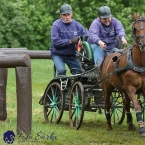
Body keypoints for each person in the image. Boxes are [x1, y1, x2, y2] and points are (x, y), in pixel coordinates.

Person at [50, 4, 88, 76]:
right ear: (60, 16)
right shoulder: (56, 25)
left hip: (71, 55)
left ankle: (74, 86)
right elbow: (55, 42)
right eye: (64, 15)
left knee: (79, 73)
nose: (67, 17)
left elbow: (86, 35)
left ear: (71, 14)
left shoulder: (76, 25)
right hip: (58, 54)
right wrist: (70, 41)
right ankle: (60, 86)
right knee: (61, 70)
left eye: (68, 14)